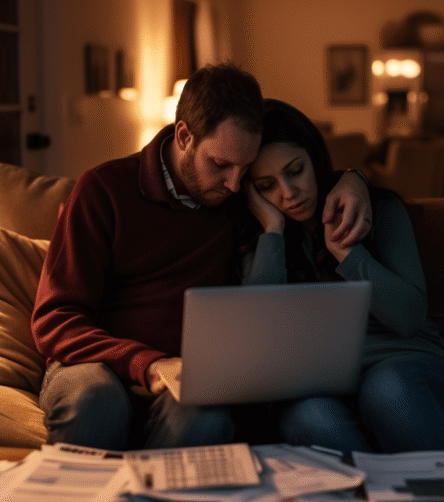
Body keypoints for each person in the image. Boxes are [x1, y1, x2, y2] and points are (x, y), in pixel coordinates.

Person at [31, 63, 373, 450]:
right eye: (220, 164)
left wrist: (354, 178)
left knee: (207, 417)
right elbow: (54, 318)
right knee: (95, 401)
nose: (232, 183)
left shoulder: (237, 200)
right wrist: (147, 362)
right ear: (183, 136)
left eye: (244, 169)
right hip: (98, 366)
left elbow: (298, 170)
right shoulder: (103, 191)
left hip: (185, 378)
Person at [238, 99, 444, 454]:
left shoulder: (377, 207)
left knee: (387, 389)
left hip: (405, 366)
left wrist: (347, 251)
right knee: (309, 415)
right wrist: (274, 228)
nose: (288, 193)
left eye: (295, 171)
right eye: (266, 185)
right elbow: (257, 333)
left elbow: (408, 318)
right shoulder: (264, 239)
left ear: (314, 157)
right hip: (320, 387)